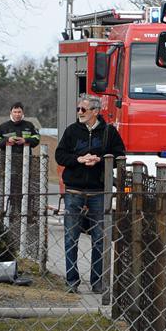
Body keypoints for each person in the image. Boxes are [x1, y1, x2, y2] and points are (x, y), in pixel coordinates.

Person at [54, 94, 125, 293]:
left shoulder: (109, 132)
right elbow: (60, 155)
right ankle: (71, 280)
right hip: (74, 191)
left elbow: (121, 155)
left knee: (100, 238)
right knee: (70, 237)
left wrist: (100, 160)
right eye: (78, 109)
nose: (79, 113)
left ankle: (98, 282)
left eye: (83, 110)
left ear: (95, 111)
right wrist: (79, 159)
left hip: (99, 191)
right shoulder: (71, 131)